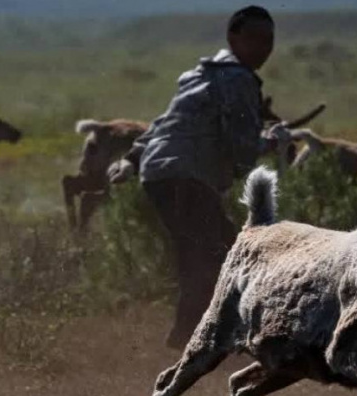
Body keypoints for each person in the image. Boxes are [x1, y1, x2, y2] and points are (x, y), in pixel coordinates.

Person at [109, 5, 285, 349]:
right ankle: (195, 344)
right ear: (233, 38)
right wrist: (273, 141)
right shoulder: (238, 78)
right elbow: (242, 148)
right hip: (186, 175)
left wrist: (132, 158)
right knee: (218, 257)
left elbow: (165, 123)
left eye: (269, 40)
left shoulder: (199, 74)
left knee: (208, 255)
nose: (263, 47)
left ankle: (197, 340)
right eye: (255, 39)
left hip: (160, 173)